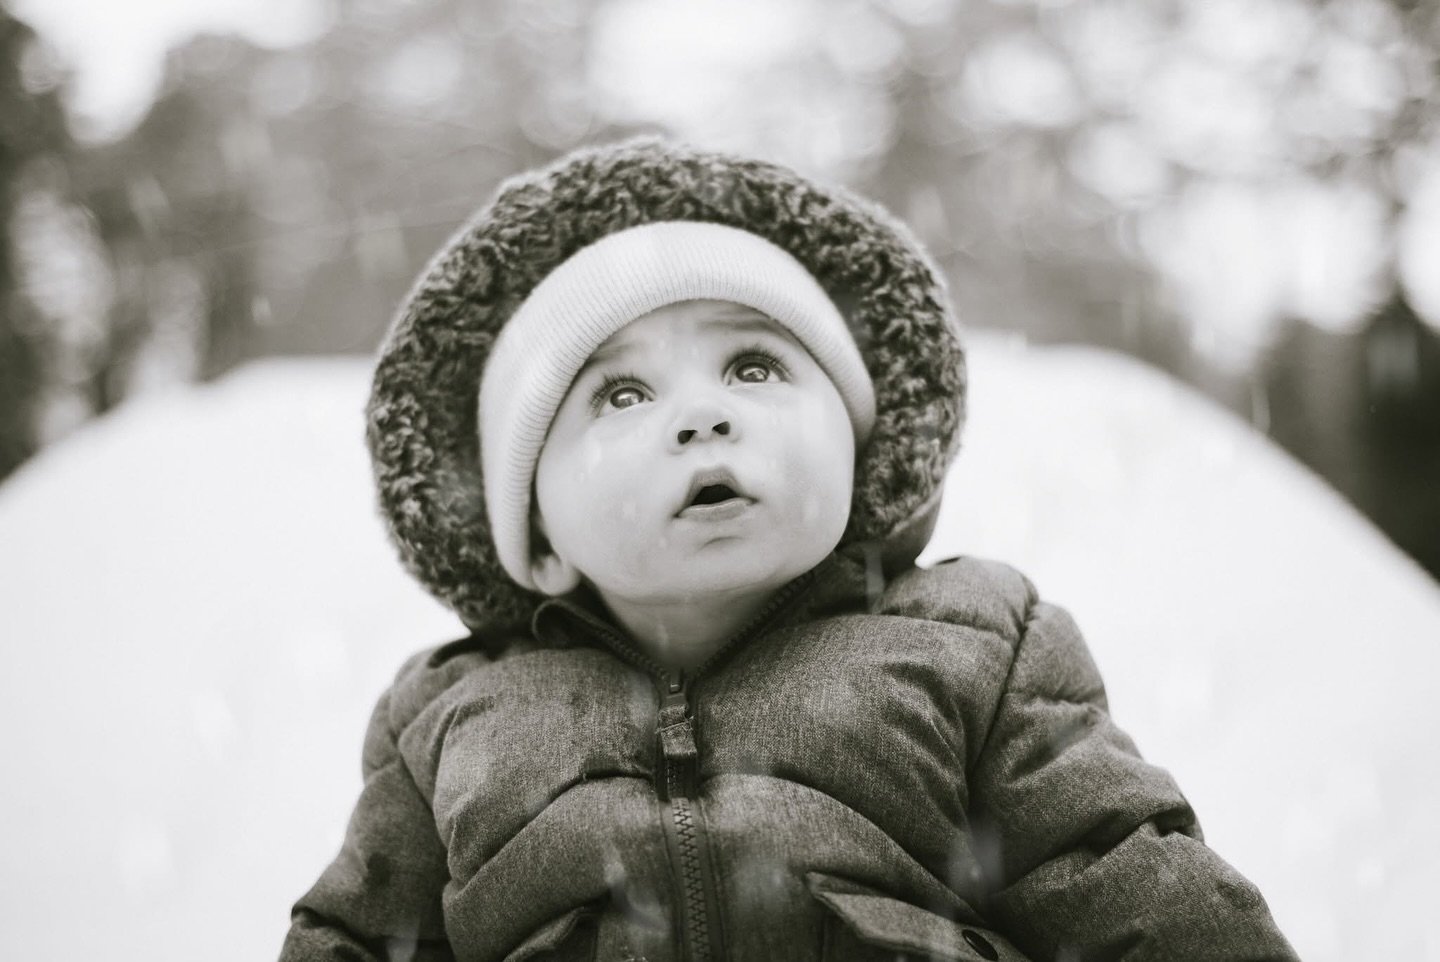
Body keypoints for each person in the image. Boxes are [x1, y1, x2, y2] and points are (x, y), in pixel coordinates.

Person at [280, 137, 1298, 962]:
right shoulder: (448, 723)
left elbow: (1125, 881)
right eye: (621, 393)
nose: (703, 415)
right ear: (537, 541)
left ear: (856, 446)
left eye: (755, 364)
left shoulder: (977, 647)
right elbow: (359, 937)